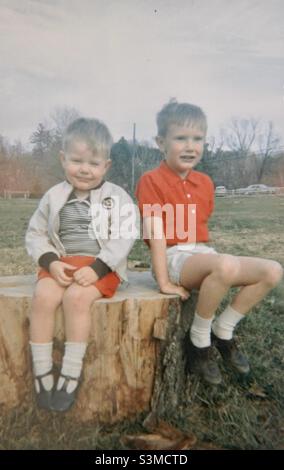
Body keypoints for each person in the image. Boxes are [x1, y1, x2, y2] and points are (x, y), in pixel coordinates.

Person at [135, 99, 283, 385]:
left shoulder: (204, 182)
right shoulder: (151, 180)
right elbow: (156, 234)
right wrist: (163, 281)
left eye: (197, 139)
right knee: (225, 265)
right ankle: (198, 341)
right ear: (161, 142)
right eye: (181, 138)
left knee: (272, 270)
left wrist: (208, 258)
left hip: (202, 253)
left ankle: (222, 330)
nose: (190, 146)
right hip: (173, 256)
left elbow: (201, 235)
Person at [26, 117, 136, 411]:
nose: (85, 169)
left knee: (76, 298)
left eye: (93, 163)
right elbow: (35, 233)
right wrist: (50, 262)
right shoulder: (53, 196)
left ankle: (71, 371)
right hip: (63, 263)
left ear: (106, 166)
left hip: (101, 266)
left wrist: (99, 268)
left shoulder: (117, 197)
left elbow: (125, 236)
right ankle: (42, 369)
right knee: (43, 296)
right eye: (76, 161)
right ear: (63, 159)